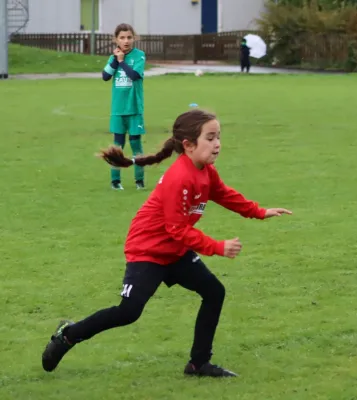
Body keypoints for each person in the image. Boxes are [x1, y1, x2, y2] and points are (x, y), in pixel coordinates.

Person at [41, 109, 293, 378]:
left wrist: (258, 211)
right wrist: (217, 247)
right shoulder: (179, 178)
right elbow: (177, 229)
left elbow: (223, 194)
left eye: (219, 136)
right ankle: (67, 335)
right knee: (129, 312)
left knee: (214, 292)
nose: (217, 143)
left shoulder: (206, 170)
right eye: (210, 138)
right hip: (147, 250)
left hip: (175, 249)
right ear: (188, 145)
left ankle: (198, 364)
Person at [102, 23, 147, 190]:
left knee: (136, 145)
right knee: (117, 146)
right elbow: (105, 76)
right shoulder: (114, 58)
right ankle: (115, 181)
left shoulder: (139, 56)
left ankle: (139, 181)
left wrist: (122, 62)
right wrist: (115, 60)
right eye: (122, 37)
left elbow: (134, 75)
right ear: (116, 39)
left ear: (134, 38)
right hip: (118, 110)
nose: (126, 41)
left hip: (134, 109)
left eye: (129, 37)